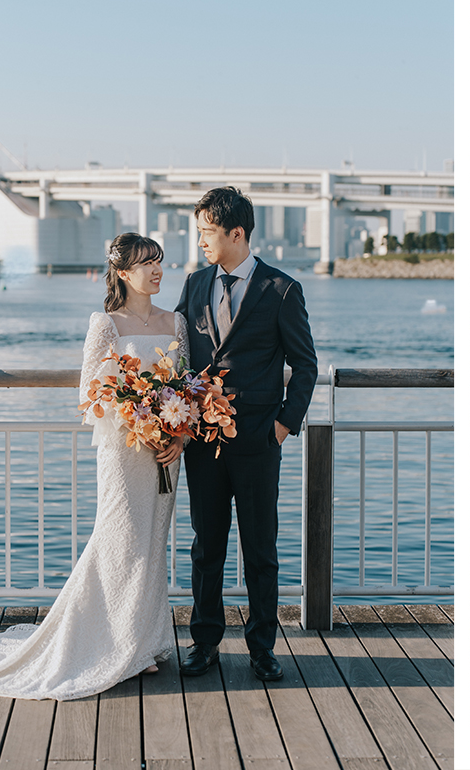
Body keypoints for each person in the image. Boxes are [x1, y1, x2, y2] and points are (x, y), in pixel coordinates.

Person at [0, 232, 186, 700]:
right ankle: (106, 644)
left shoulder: (177, 322)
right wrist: (138, 415)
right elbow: (91, 394)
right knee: (121, 540)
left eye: (159, 261)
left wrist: (178, 431)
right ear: (123, 273)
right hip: (122, 450)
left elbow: (187, 386)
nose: (156, 269)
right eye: (147, 263)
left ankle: (143, 644)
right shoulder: (105, 323)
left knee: (153, 544)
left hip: (167, 452)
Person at [174, 186, 316, 681]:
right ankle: (205, 642)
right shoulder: (194, 285)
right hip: (203, 442)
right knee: (206, 545)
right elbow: (178, 357)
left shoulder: (282, 290)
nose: (202, 244)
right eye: (199, 234)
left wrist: (282, 427)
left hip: (258, 439)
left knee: (260, 549)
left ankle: (262, 648)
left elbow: (305, 366)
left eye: (208, 234)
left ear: (237, 234)